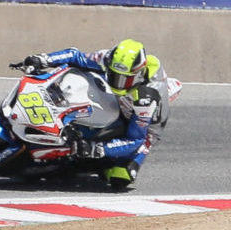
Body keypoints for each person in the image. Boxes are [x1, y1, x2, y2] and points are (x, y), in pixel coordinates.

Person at [17, 39, 171, 189]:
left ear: (137, 75)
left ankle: (84, 163)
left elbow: (136, 139)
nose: (117, 82)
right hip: (120, 99)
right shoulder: (108, 58)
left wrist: (96, 148)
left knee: (121, 176)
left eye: (123, 79)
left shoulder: (146, 98)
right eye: (114, 75)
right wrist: (44, 59)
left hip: (145, 125)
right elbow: (75, 56)